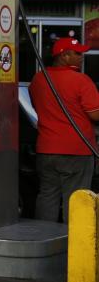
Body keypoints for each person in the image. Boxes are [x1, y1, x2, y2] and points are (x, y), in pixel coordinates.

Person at [28, 37, 99, 223]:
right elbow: (96, 115)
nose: (82, 56)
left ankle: (44, 241)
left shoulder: (38, 79)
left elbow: (38, 107)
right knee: (76, 200)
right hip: (77, 151)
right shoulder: (81, 81)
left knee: (47, 196)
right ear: (64, 56)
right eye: (77, 53)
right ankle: (72, 246)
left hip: (46, 150)